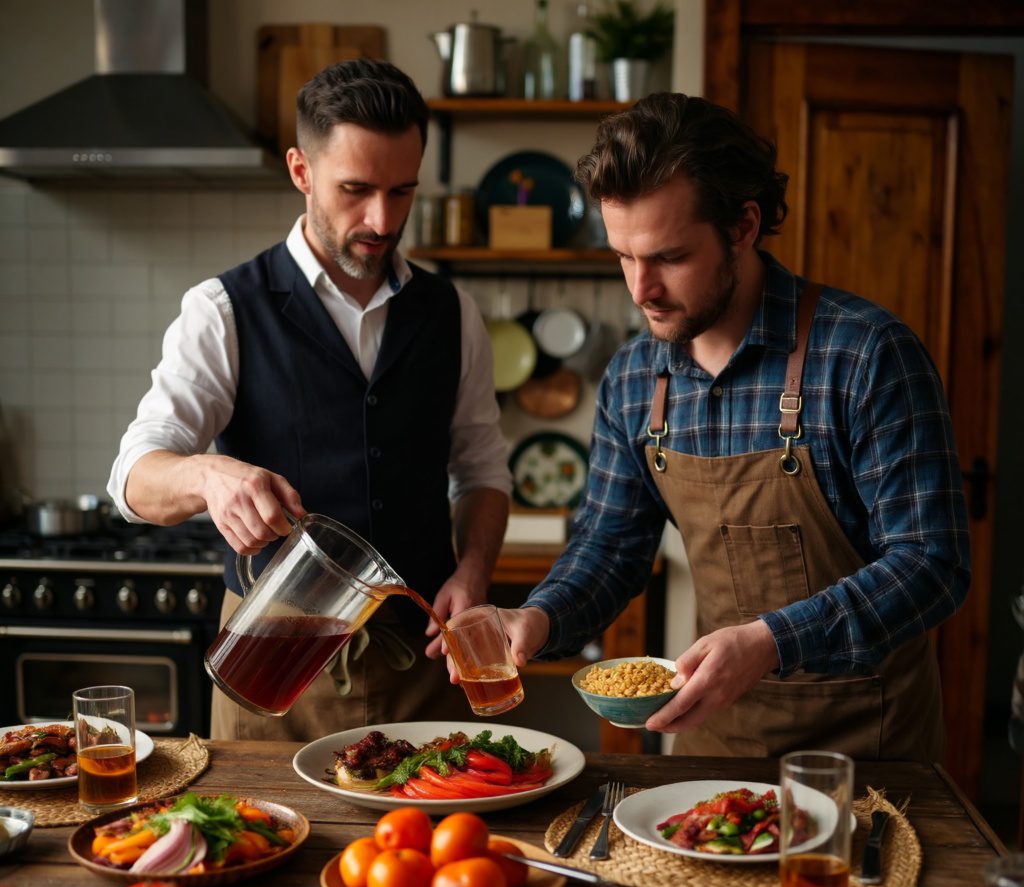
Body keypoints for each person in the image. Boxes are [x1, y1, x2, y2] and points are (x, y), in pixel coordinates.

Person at [496, 92, 970, 759]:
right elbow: (608, 547)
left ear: (743, 227)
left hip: (869, 750)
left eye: (667, 257)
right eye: (624, 258)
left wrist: (771, 641)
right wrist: (539, 616)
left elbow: (932, 565)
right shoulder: (634, 378)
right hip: (714, 741)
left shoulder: (866, 353)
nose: (640, 290)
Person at [108, 59, 511, 740]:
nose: (382, 219)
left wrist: (473, 571)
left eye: (402, 190)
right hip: (275, 669)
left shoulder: (454, 313)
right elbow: (131, 477)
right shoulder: (222, 310)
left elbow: (481, 471)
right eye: (355, 190)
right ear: (301, 171)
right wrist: (208, 474)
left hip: (423, 668)